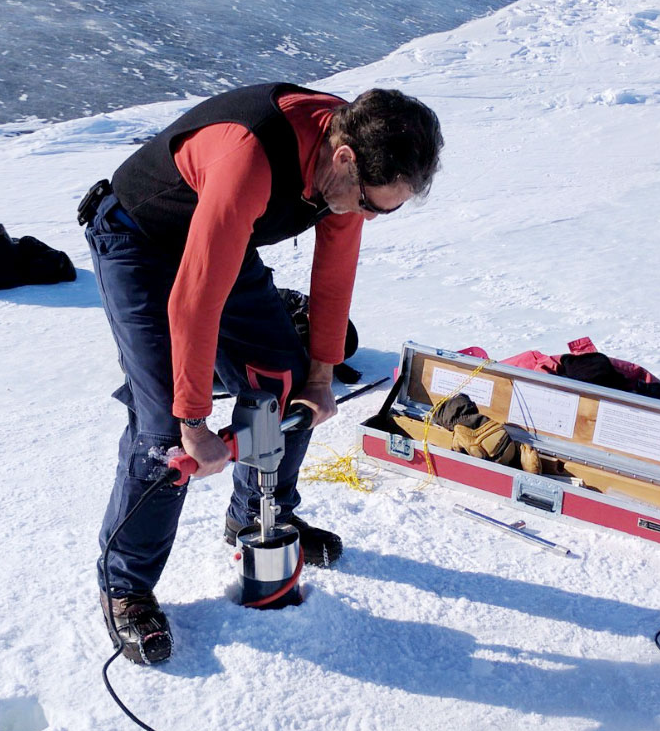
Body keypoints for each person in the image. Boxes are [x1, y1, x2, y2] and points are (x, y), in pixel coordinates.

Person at [81, 81, 442, 665]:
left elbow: (333, 275)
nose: (370, 214)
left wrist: (321, 376)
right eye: (373, 203)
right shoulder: (249, 154)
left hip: (225, 239)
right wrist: (194, 419)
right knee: (162, 433)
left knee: (283, 382)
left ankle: (257, 515)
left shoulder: (349, 155)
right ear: (343, 157)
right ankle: (125, 586)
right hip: (140, 240)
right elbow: (194, 301)